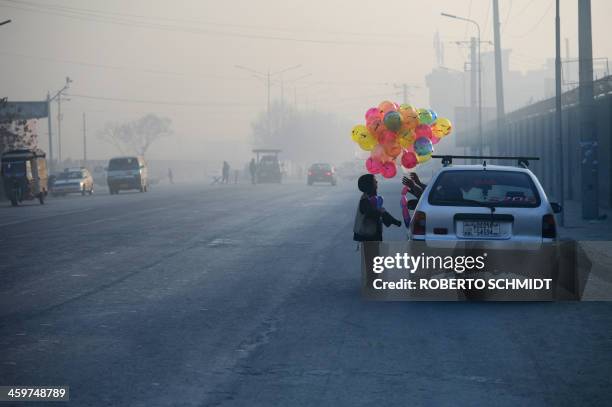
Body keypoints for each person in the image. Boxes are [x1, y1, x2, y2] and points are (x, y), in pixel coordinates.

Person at [353, 174, 401, 242]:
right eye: (374, 181)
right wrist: (390, 219)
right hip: (367, 238)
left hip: (372, 236)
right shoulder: (365, 200)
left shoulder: (370, 198)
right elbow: (374, 213)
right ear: (369, 185)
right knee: (372, 252)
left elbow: (378, 212)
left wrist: (387, 217)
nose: (377, 182)